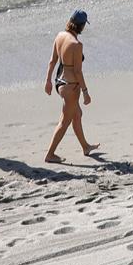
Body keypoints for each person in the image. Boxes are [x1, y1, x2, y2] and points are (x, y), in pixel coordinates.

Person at [44, 9, 99, 163]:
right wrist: (85, 92)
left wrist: (47, 81)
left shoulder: (60, 36)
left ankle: (85, 147)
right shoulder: (76, 44)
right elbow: (77, 72)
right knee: (64, 121)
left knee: (77, 114)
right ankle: (50, 154)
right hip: (71, 86)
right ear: (82, 26)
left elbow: (52, 61)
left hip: (59, 82)